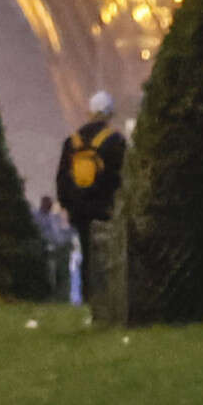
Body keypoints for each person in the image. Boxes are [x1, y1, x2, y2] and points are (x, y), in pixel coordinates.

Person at [52, 91, 126, 299]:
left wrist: (68, 205)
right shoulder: (114, 141)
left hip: (79, 209)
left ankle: (87, 295)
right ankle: (107, 298)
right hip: (104, 207)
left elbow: (62, 178)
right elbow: (122, 176)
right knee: (108, 256)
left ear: (89, 112)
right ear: (109, 114)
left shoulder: (72, 142)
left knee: (86, 253)